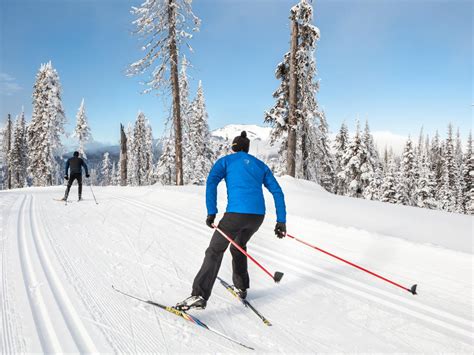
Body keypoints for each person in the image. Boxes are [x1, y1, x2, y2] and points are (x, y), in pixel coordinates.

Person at [176, 131, 287, 311]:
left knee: (215, 250)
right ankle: (241, 287)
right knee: (238, 245)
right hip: (257, 217)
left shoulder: (226, 161)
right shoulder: (260, 165)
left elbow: (211, 182)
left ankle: (199, 295)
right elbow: (277, 191)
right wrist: (281, 221)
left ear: (234, 147)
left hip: (235, 215)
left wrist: (212, 212)